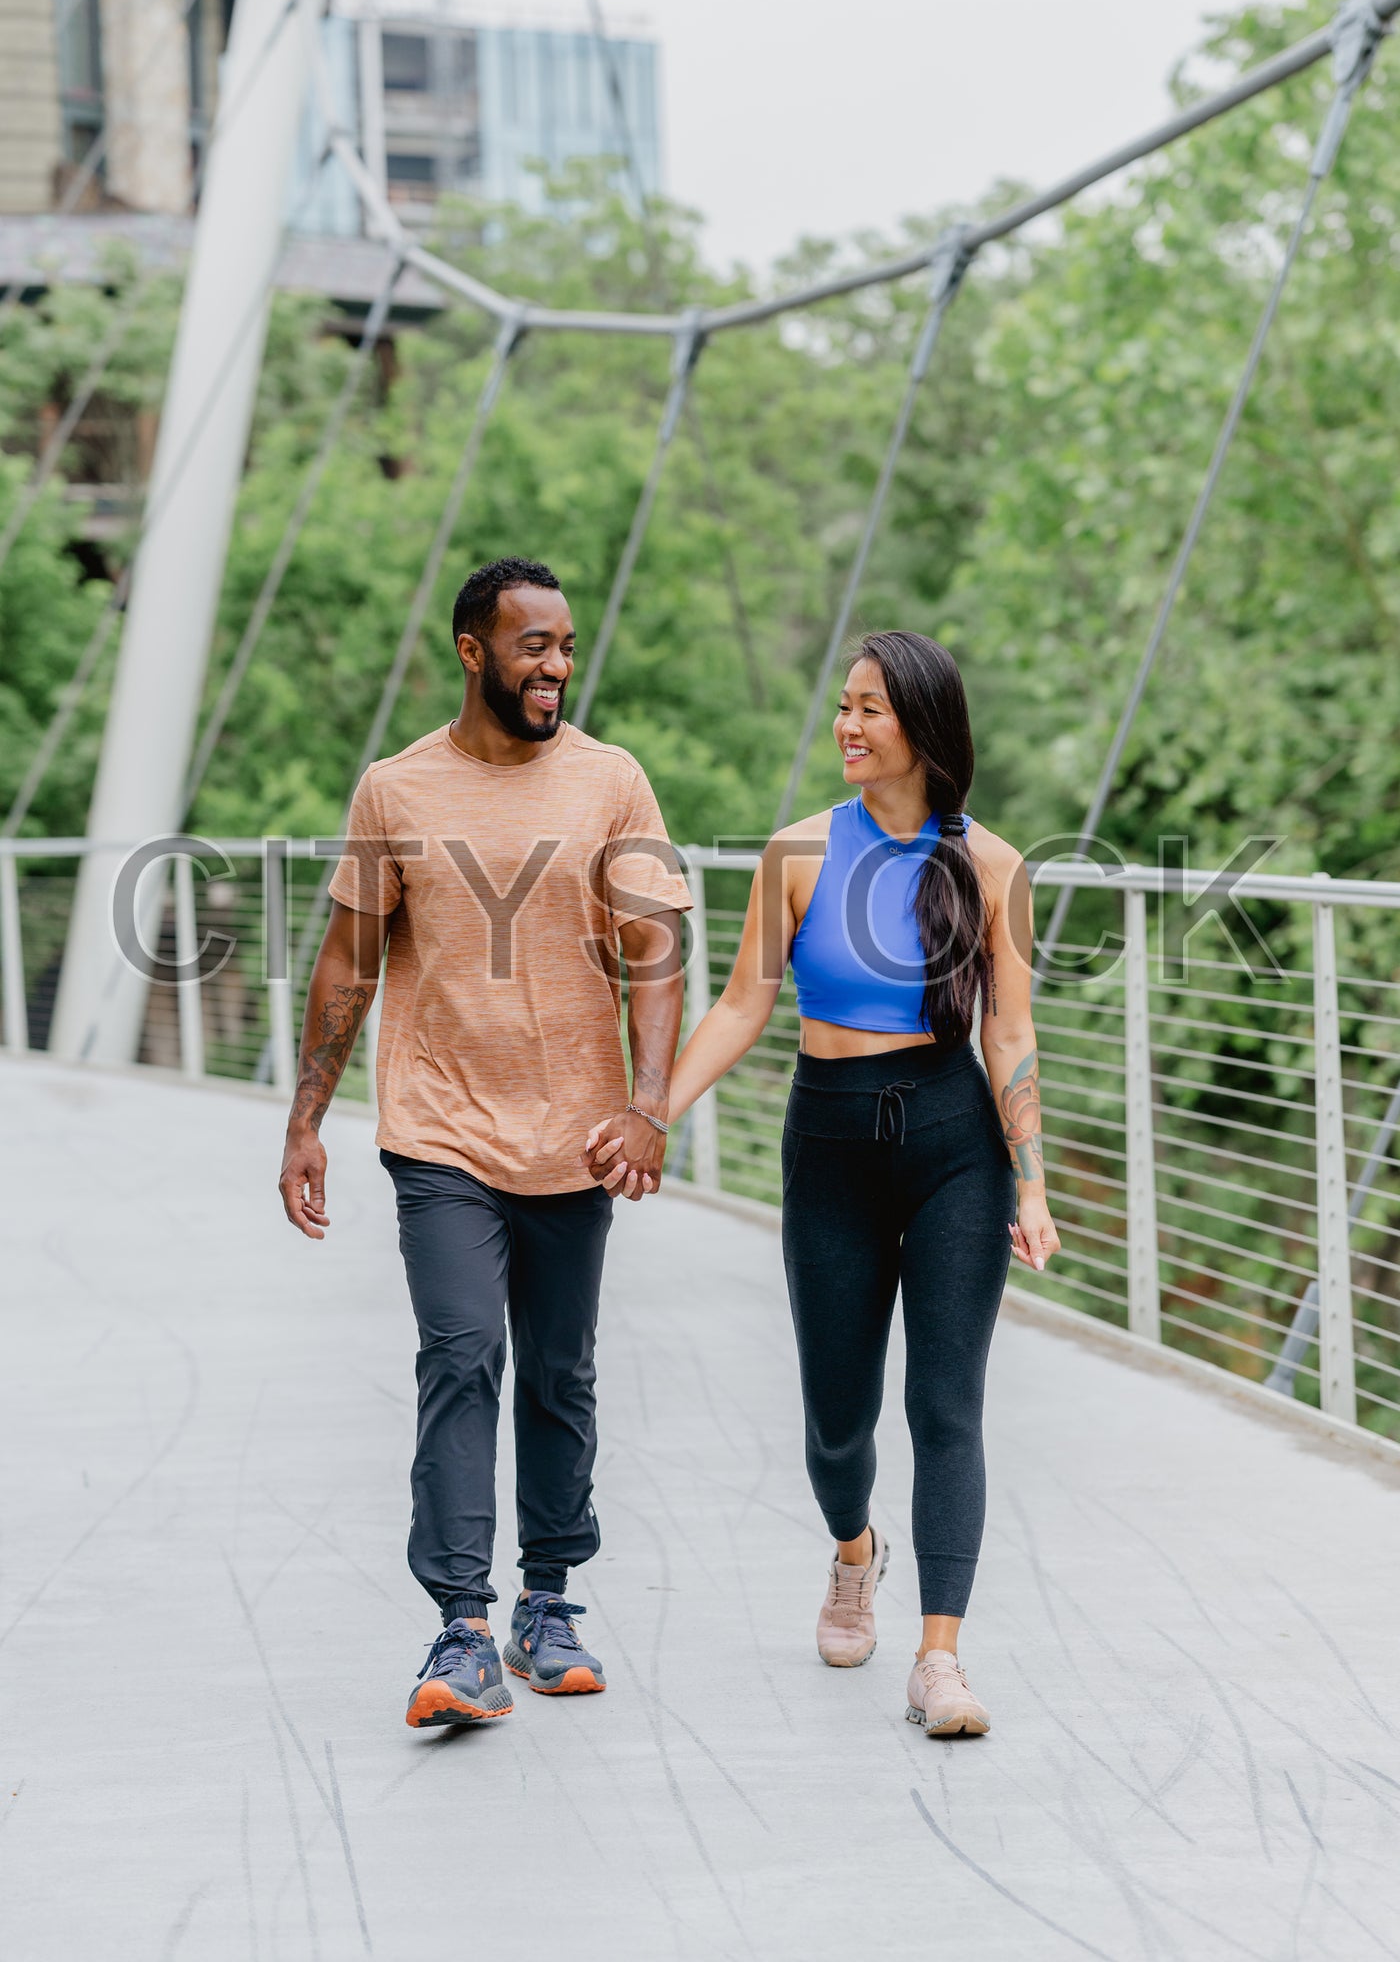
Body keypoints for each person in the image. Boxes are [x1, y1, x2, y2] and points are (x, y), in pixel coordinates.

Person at [586, 630, 1059, 1736]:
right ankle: (854, 1549)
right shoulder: (797, 853)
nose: (845, 727)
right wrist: (650, 1110)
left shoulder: (992, 866)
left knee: (945, 1404)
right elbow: (745, 1006)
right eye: (841, 707)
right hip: (832, 1142)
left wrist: (1027, 1183)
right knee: (836, 1421)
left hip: (954, 1144)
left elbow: (1011, 1033)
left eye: (868, 710)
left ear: (921, 730)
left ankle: (940, 1659)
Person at [278, 556, 691, 1730]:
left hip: (575, 1136)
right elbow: (350, 960)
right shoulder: (395, 789)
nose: (556, 664)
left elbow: (656, 949)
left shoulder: (613, 782)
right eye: (532, 646)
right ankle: (460, 1626)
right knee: (461, 1355)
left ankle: (545, 1599)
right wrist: (306, 1118)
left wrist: (648, 1105)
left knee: (559, 1373)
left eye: (564, 644)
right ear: (473, 652)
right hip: (438, 1130)